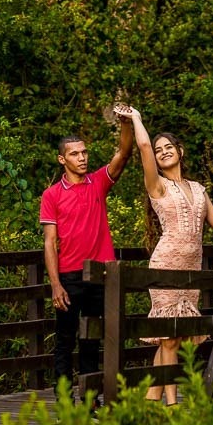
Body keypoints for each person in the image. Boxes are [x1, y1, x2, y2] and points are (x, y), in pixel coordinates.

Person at [126, 106, 213, 406]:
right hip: (165, 267)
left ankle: (151, 399)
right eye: (159, 150)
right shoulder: (157, 185)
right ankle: (173, 405)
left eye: (168, 147)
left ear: (180, 151)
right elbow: (143, 145)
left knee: (175, 338)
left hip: (191, 273)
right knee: (170, 337)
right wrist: (136, 118)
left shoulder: (198, 190)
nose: (163, 152)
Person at [39, 109, 134, 402]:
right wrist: (55, 285)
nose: (82, 158)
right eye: (74, 154)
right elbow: (50, 242)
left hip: (100, 275)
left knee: (92, 339)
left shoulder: (98, 183)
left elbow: (124, 154)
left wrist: (126, 123)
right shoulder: (52, 195)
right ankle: (64, 401)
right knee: (65, 340)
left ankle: (90, 400)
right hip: (68, 277)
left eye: (84, 152)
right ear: (62, 159)